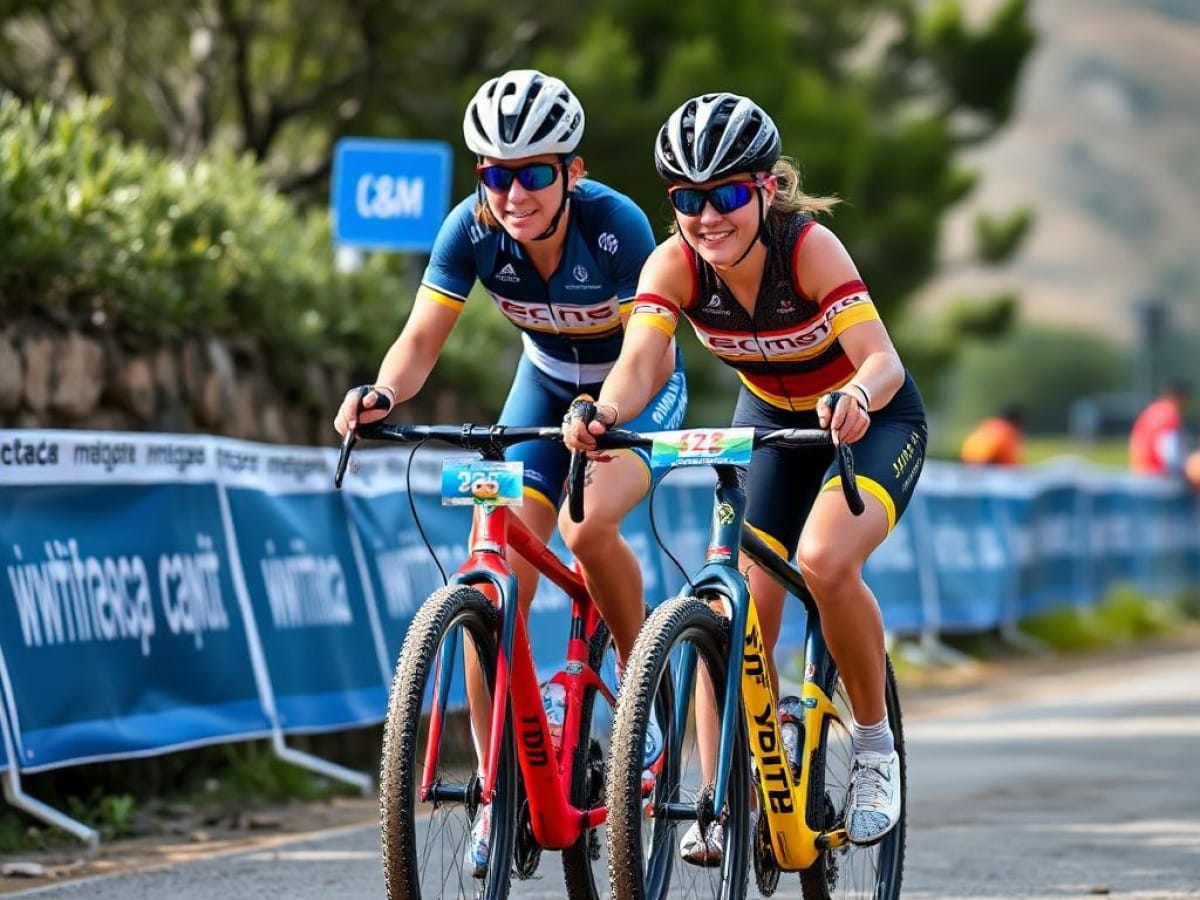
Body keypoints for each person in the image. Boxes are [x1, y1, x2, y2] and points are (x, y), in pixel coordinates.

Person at [333, 69, 687, 875]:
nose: (514, 192)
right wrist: (383, 391)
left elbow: (646, 348)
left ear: (572, 172)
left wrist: (607, 414)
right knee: (492, 578)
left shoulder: (618, 227)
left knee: (589, 525)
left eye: (534, 173)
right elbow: (421, 340)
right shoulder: (471, 228)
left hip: (636, 389)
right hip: (543, 389)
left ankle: (637, 690)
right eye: (497, 173)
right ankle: (499, 786)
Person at [564, 92, 927, 862]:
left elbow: (883, 360)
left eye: (726, 194)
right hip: (768, 423)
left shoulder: (809, 249)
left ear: (765, 189)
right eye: (688, 199)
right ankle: (719, 797)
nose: (708, 216)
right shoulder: (674, 264)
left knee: (827, 562)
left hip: (868, 420)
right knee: (732, 610)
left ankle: (872, 747)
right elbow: (638, 365)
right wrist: (601, 411)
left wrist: (857, 395)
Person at [1130, 380, 1190, 478]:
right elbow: (1171, 455)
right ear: (1179, 397)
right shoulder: (1169, 415)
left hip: (1140, 472)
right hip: (1157, 476)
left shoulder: (1152, 410)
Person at [960, 405, 1025, 466]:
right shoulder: (1008, 431)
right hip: (989, 464)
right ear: (1018, 421)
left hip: (968, 461)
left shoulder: (989, 424)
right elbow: (1011, 462)